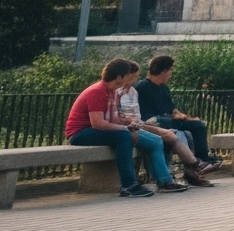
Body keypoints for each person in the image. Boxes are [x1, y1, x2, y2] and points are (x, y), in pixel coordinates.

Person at [65, 58, 178, 196]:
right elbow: (98, 123)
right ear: (119, 77)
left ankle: (162, 181)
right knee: (123, 136)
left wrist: (129, 123)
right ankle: (128, 185)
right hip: (80, 133)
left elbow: (115, 119)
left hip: (96, 131)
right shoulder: (97, 91)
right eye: (128, 75)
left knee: (153, 139)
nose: (132, 79)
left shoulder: (111, 91)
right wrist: (125, 129)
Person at [134, 56, 218, 179]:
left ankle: (202, 162)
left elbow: (172, 110)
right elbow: (145, 116)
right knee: (180, 130)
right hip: (152, 121)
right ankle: (197, 165)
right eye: (170, 70)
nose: (171, 74)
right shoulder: (142, 87)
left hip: (167, 120)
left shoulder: (163, 88)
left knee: (199, 125)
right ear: (163, 71)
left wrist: (187, 117)